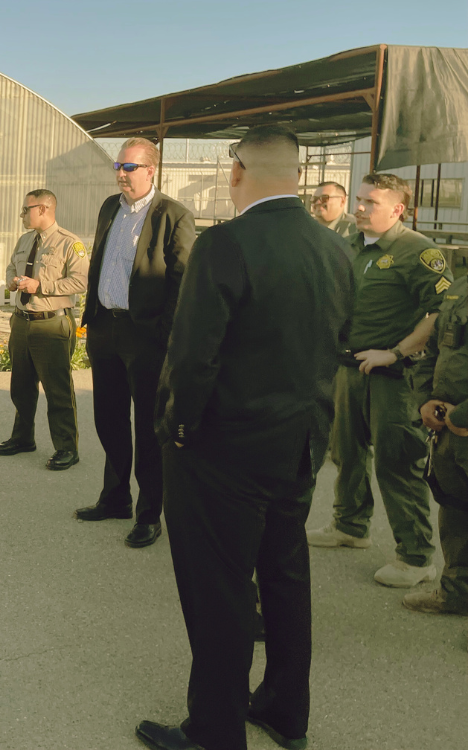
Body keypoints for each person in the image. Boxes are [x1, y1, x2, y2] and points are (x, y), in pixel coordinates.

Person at [136, 125, 354, 750]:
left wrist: (177, 427)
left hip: (224, 451)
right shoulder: (335, 248)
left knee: (220, 591)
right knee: (285, 579)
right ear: (298, 176)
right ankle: (286, 710)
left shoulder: (226, 245)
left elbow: (193, 355)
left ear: (236, 172)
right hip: (299, 445)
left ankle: (214, 730)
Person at [306, 173, 454, 588]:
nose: (361, 208)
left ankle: (416, 556)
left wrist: (398, 351)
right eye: (359, 200)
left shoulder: (418, 252)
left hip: (393, 376)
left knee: (397, 461)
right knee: (347, 452)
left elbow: (439, 312)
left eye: (371, 202)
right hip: (347, 370)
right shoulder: (350, 245)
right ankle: (350, 526)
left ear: (397, 209)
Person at [75, 137, 195, 548]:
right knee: (108, 420)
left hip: (146, 337)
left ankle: (149, 513)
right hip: (105, 329)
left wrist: (165, 338)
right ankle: (115, 498)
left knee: (147, 427)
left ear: (150, 171)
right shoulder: (110, 207)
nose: (121, 174)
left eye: (129, 167)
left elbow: (181, 282)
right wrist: (90, 318)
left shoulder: (173, 216)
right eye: (118, 167)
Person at [0, 189, 90, 471]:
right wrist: (13, 280)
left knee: (57, 389)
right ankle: (23, 438)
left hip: (51, 323)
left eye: (27, 209)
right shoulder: (25, 240)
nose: (23, 214)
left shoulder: (70, 244)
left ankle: (66, 447)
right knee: (21, 386)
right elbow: (12, 266)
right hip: (22, 321)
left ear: (45, 209)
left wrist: (41, 287)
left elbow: (81, 282)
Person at [406, 273, 468, 616]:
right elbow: (434, 349)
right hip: (448, 427)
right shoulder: (460, 287)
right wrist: (426, 401)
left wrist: (463, 417)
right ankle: (456, 592)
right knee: (455, 509)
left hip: (461, 423)